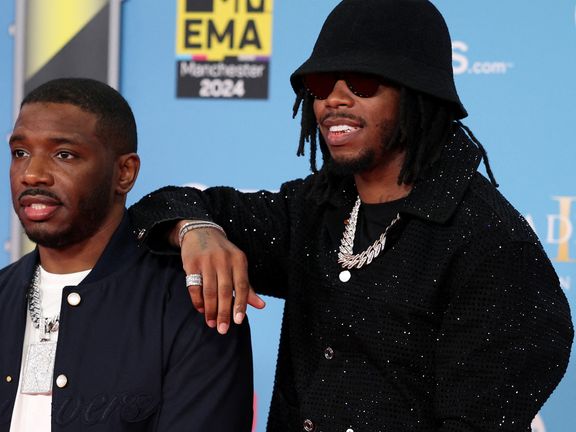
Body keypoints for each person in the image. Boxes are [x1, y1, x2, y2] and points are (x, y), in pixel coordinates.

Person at [130, 0, 573, 430]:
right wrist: (198, 229)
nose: (333, 101)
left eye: (361, 82)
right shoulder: (314, 207)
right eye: (321, 84)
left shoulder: (491, 244)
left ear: (418, 93)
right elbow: (157, 208)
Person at [0, 78, 253, 431]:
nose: (32, 174)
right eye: (20, 153)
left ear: (124, 172)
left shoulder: (192, 307)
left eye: (64, 155)